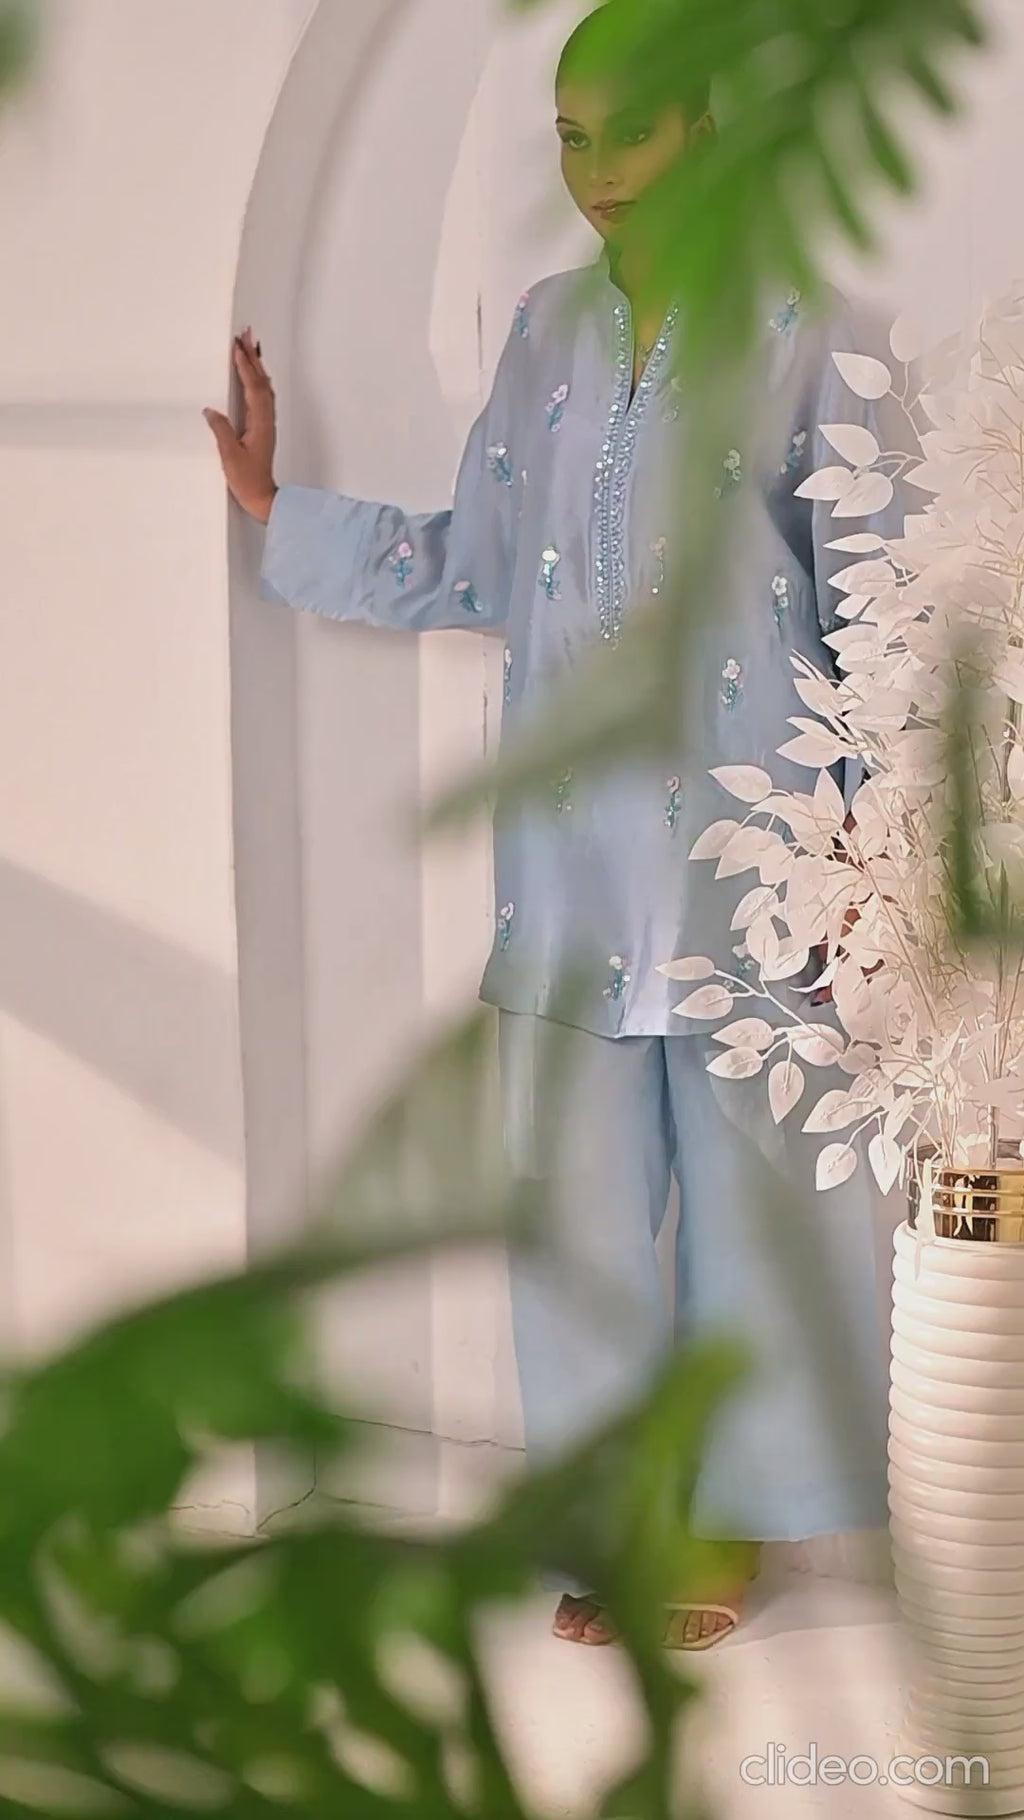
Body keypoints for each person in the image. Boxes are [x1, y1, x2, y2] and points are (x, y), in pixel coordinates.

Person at [206, 3, 891, 1649]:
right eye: (571, 135)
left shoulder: (811, 323)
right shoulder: (545, 330)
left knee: (758, 1222)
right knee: (574, 1223)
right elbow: (484, 561)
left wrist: (867, 865)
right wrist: (283, 513)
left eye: (629, 126)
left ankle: (734, 1529)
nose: (596, 170)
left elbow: (872, 613)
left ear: (709, 120)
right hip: (572, 869)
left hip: (751, 864)